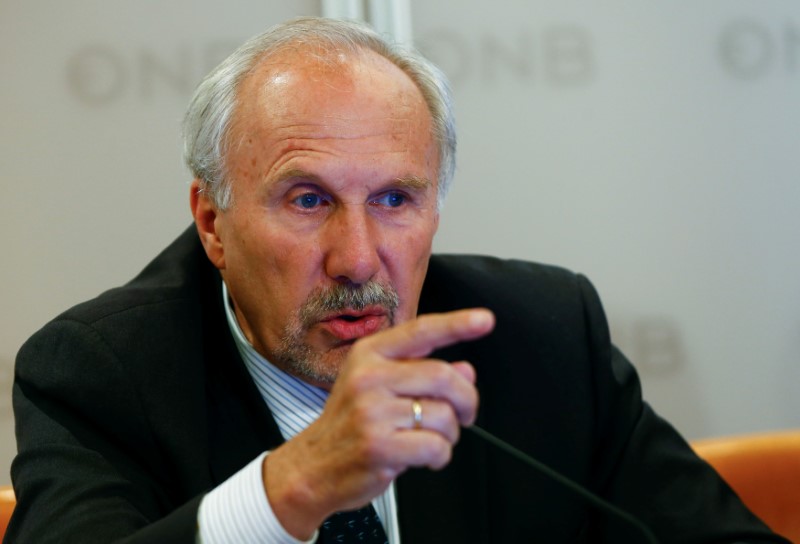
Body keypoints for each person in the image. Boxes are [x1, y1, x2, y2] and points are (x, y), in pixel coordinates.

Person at [6, 16, 788, 544]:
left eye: (394, 199)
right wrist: (291, 490)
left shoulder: (542, 336)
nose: (356, 258)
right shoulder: (98, 373)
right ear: (212, 223)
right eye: (308, 200)